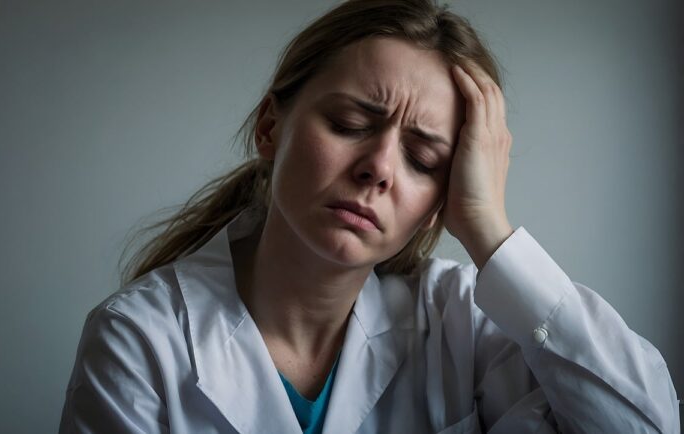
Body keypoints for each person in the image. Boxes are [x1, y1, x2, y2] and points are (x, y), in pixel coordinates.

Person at [58, 0, 680, 433]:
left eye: (423, 157)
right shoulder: (138, 338)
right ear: (272, 126)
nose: (379, 168)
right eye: (351, 124)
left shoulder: (465, 322)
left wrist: (489, 230)